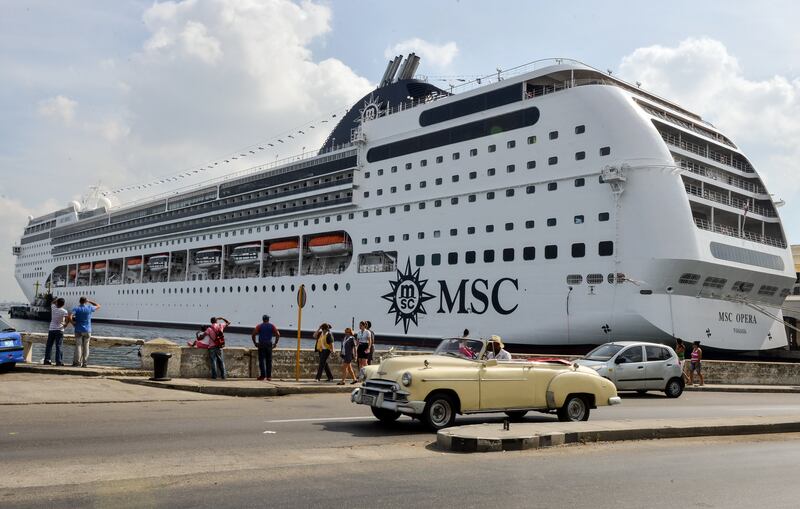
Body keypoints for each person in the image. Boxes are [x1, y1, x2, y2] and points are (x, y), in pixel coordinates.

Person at [71, 296, 100, 367]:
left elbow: (70, 316)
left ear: (79, 301)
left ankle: (77, 363)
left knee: (78, 346)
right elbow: (98, 306)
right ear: (85, 301)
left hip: (78, 329)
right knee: (86, 347)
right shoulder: (89, 308)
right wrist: (89, 301)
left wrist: (73, 323)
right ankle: (85, 363)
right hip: (87, 330)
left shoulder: (76, 308)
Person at [251, 315, 280, 381]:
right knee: (269, 361)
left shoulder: (259, 326)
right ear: (268, 319)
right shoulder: (272, 326)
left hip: (261, 344)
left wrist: (255, 343)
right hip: (269, 344)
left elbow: (253, 334)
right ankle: (269, 376)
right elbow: (278, 334)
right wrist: (275, 343)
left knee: (261, 361)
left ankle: (262, 376)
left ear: (263, 319)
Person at [44, 297, 69, 366]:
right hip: (59, 330)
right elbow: (67, 321)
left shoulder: (53, 308)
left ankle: (47, 360)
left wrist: (56, 299)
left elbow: (52, 303)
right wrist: (64, 325)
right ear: (63, 304)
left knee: (49, 345)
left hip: (51, 329)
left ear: (57, 303)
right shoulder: (64, 311)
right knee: (59, 346)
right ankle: (58, 361)